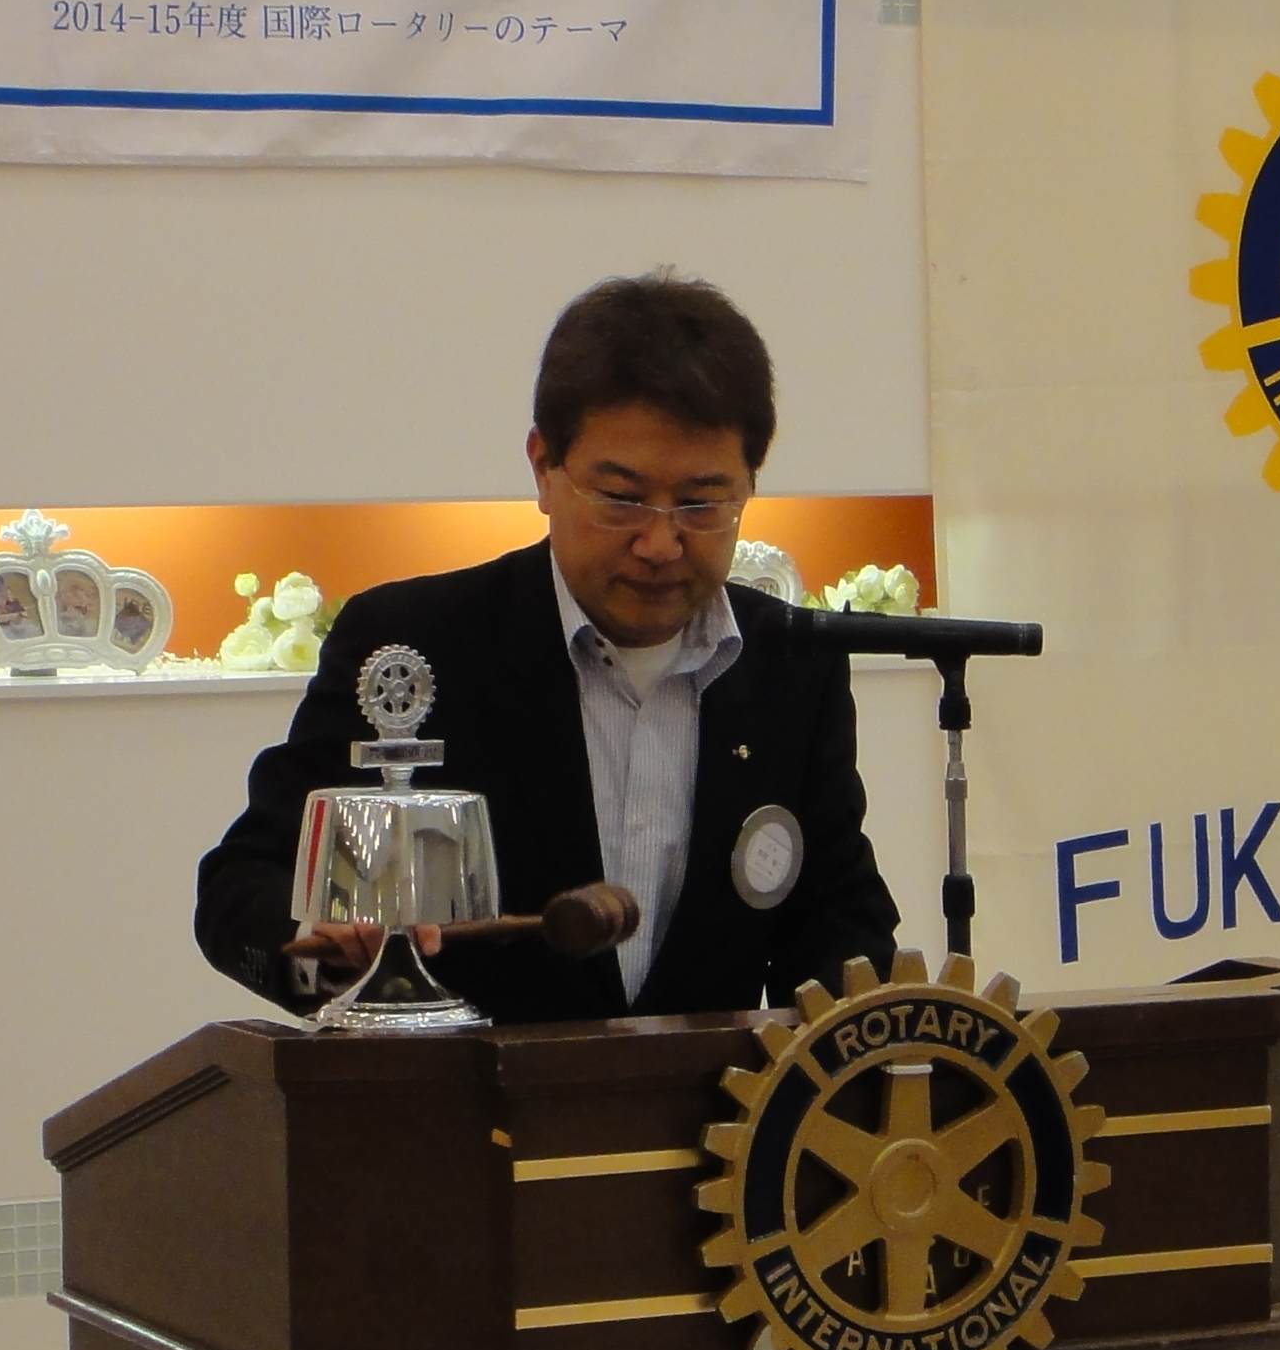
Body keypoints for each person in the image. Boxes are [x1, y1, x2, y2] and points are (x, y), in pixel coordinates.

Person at [194, 271, 899, 1025]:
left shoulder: (791, 663)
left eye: (701, 503)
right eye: (622, 498)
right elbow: (242, 886)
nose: (660, 543)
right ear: (543, 468)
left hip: (715, 1099)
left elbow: (835, 914)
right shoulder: (414, 643)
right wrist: (319, 954)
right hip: (457, 1094)